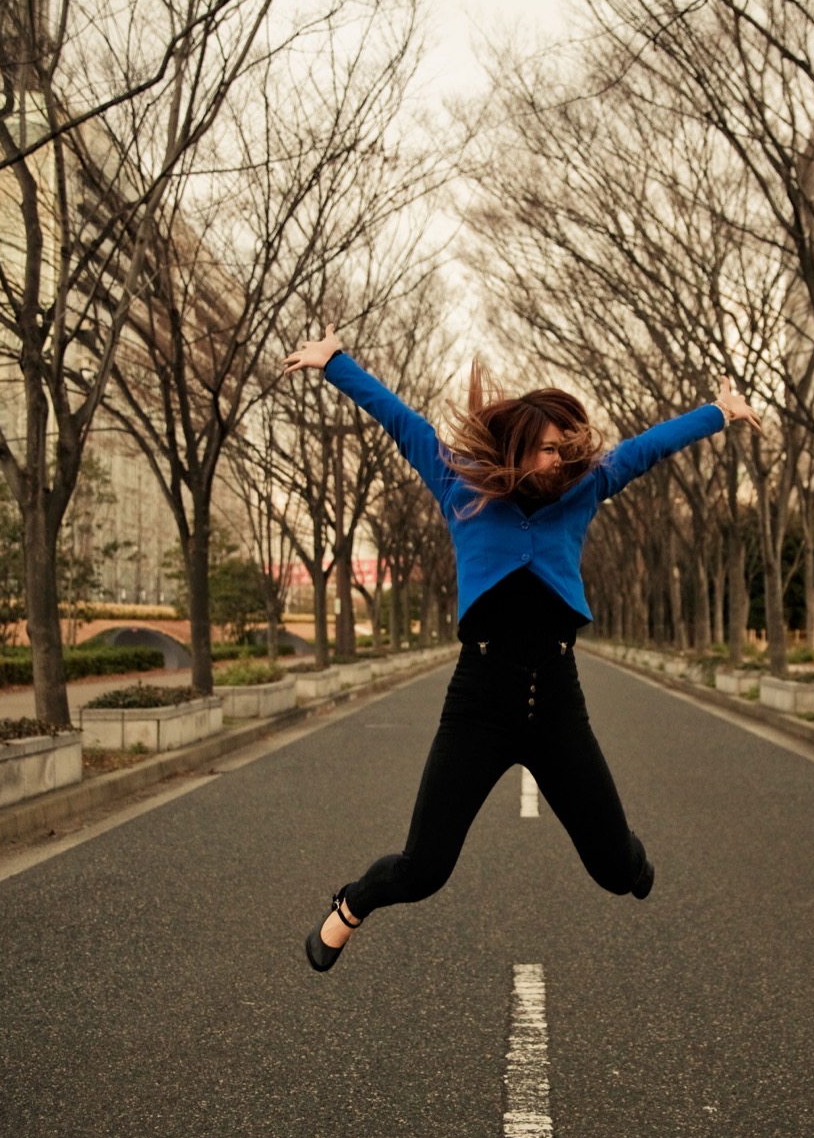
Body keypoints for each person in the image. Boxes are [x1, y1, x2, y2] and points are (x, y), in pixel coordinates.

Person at [281, 324, 761, 972]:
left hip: (557, 701)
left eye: (566, 449)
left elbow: (647, 449)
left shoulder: (586, 487)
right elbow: (401, 421)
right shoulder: (459, 484)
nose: (557, 461)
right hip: (479, 700)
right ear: (516, 448)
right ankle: (352, 903)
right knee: (424, 868)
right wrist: (335, 362)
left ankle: (626, 853)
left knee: (619, 871)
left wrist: (719, 413)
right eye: (545, 450)